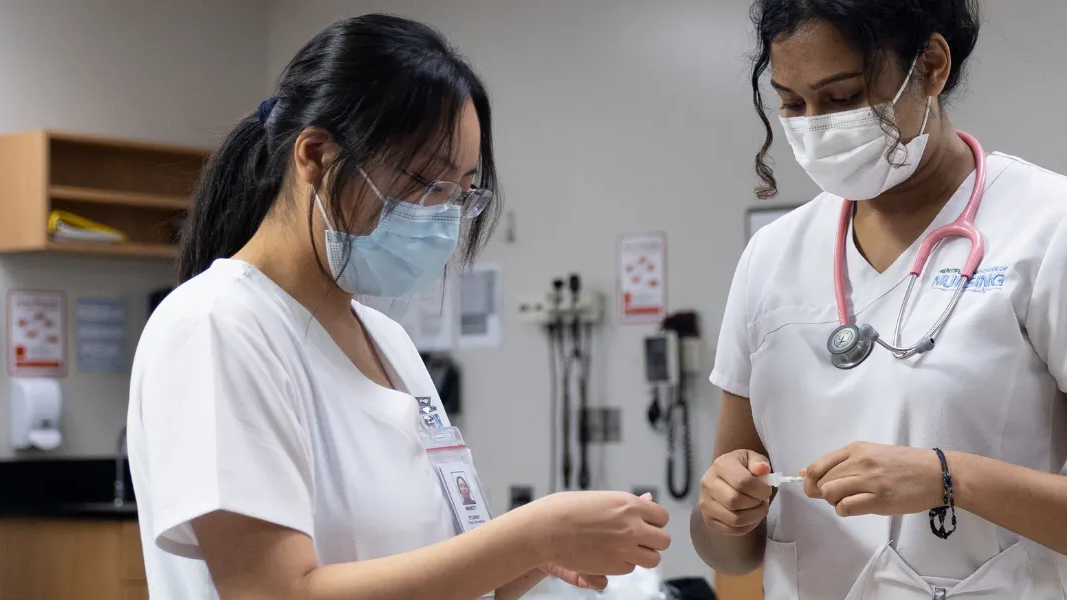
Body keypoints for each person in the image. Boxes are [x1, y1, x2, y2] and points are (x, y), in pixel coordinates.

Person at [127, 15, 669, 600]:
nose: (445, 215)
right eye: (429, 182)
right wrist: (530, 537)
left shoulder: (386, 340)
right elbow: (275, 592)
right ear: (315, 156)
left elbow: (430, 570)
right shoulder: (217, 326)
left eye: (462, 191)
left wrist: (551, 549)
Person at [693, 1, 1067, 598]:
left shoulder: (1062, 229)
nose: (816, 125)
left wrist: (947, 477)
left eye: (842, 97)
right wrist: (727, 511)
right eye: (791, 103)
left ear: (932, 65)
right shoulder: (771, 255)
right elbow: (725, 548)